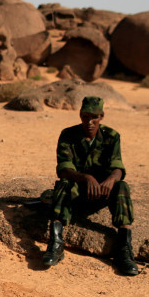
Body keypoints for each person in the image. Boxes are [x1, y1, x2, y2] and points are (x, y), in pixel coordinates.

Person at [42, 95, 139, 275]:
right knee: (63, 184)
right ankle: (56, 244)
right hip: (78, 189)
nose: (89, 121)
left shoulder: (112, 136)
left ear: (101, 116)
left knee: (122, 186)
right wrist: (86, 177)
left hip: (103, 191)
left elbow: (118, 167)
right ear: (80, 115)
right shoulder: (68, 135)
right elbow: (64, 168)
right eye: (85, 116)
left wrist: (110, 180)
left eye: (94, 117)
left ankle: (124, 251)